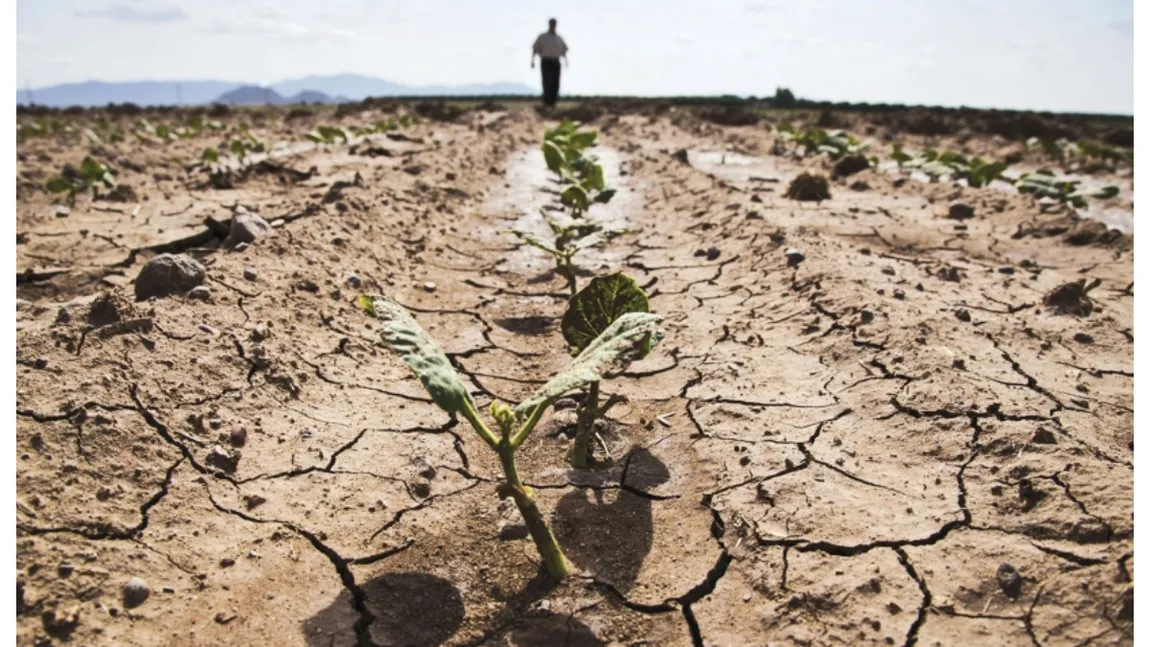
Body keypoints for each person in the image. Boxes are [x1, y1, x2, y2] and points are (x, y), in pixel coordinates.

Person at [531, 18, 568, 108]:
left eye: (554, 24)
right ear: (549, 24)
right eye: (551, 24)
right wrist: (532, 61)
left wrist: (566, 61)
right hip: (546, 61)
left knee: (556, 83)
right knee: (547, 82)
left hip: (556, 62)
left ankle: (553, 103)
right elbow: (535, 48)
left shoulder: (559, 38)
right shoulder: (543, 37)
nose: (553, 25)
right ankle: (546, 103)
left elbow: (564, 50)